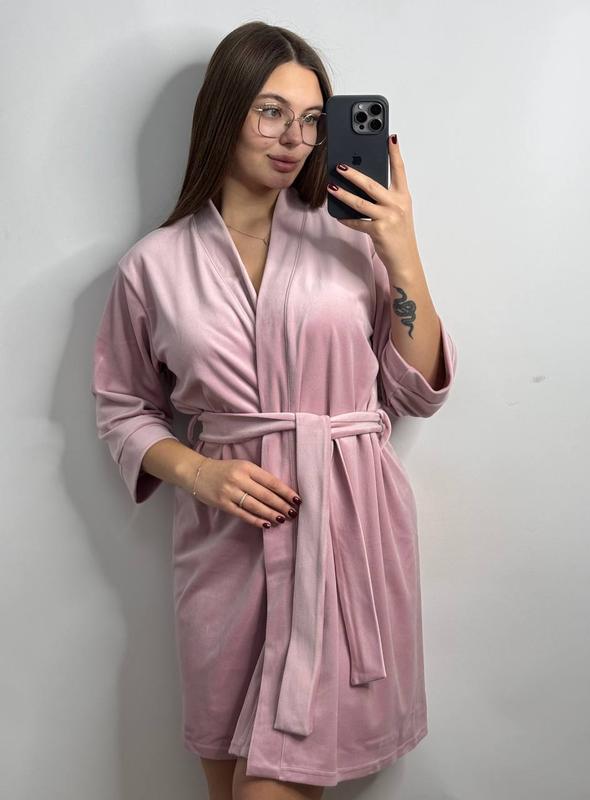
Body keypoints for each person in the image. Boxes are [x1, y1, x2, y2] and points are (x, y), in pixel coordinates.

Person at [91, 20, 457, 800]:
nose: (294, 138)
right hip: (225, 553)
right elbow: (122, 406)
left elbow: (417, 389)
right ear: (225, 111)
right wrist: (200, 473)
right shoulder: (154, 266)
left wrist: (402, 252)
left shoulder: (350, 243)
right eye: (271, 112)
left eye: (313, 119)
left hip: (343, 540)